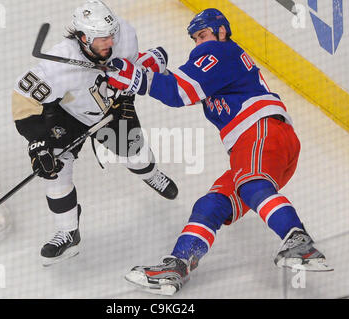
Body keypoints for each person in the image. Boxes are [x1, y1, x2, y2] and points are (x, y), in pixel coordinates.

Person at [106, 8, 333, 295]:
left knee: (251, 184)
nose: (200, 42)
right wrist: (148, 72)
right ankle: (178, 265)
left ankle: (299, 242)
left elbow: (179, 93)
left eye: (203, 35)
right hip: (264, 147)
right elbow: (182, 86)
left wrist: (135, 77)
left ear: (221, 31)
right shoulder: (219, 62)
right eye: (195, 38)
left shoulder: (219, 51)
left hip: (260, 132)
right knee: (211, 204)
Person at [12, 0, 178, 266]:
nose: (109, 43)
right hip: (68, 115)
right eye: (101, 39)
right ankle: (68, 232)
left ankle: (150, 174)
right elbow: (23, 101)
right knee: (54, 168)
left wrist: (126, 99)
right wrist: (38, 144)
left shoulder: (125, 33)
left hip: (110, 107)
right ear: (83, 37)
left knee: (135, 154)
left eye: (111, 35)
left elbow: (129, 72)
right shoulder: (58, 65)